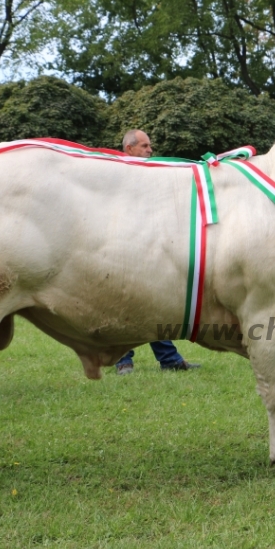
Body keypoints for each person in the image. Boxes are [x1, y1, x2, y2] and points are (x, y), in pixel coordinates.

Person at [114, 129, 201, 374]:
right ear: (129, 148)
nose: (150, 150)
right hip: (122, 248)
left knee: (153, 302)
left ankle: (169, 360)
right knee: (125, 304)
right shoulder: (116, 173)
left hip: (148, 247)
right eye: (144, 146)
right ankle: (123, 361)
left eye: (150, 146)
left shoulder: (150, 174)